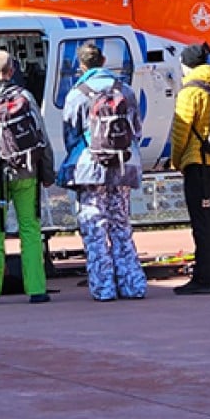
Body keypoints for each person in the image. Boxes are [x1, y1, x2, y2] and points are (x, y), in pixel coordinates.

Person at [59, 42, 149, 301]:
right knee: (121, 225)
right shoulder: (126, 90)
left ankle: (104, 288)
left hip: (90, 168)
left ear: (81, 65)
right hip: (123, 166)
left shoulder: (77, 93)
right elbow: (136, 130)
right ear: (104, 59)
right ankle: (133, 285)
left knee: (94, 227)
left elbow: (71, 134)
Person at [0, 52, 55, 304]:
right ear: (12, 71)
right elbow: (42, 137)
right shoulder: (25, 98)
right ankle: (36, 289)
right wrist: (47, 172)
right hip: (26, 172)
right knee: (29, 228)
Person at [169, 42, 210, 295]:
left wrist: (177, 161)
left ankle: (204, 278)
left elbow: (180, 132)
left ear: (186, 65)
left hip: (198, 162)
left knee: (202, 223)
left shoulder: (190, 93)